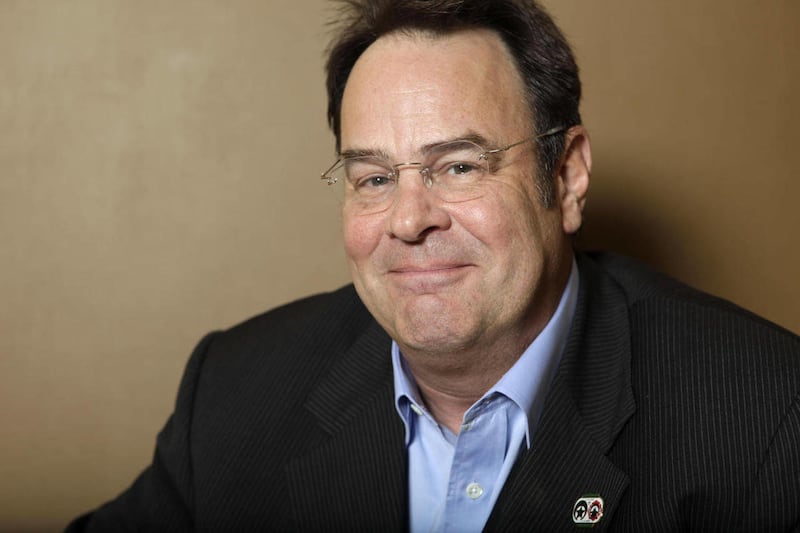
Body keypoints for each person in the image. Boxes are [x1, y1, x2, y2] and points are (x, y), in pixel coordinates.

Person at [68, 0, 800, 531]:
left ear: (567, 176)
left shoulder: (765, 416)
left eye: (459, 166)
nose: (409, 220)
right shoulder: (234, 393)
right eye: (374, 177)